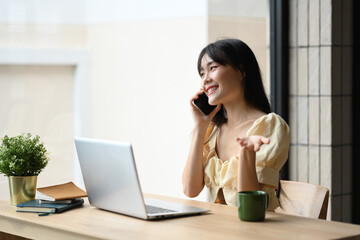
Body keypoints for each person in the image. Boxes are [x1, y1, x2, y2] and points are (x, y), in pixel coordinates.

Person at [182, 38, 290, 211]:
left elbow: (250, 208)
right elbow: (190, 190)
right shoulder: (212, 131)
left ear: (241, 71)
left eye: (212, 68)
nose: (205, 79)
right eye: (202, 73)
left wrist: (247, 153)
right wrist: (200, 128)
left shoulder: (269, 127)